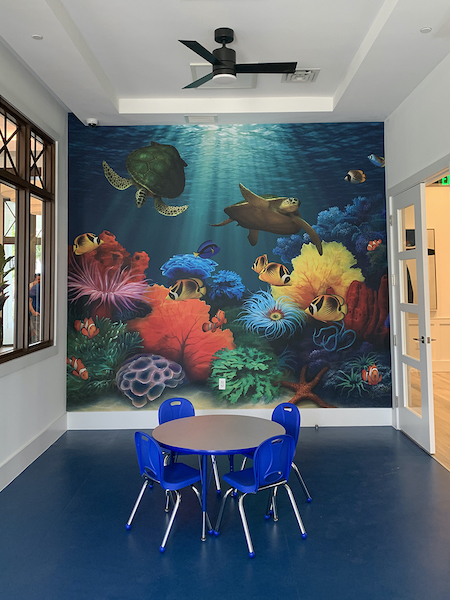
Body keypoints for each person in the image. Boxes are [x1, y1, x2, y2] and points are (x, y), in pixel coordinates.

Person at [29, 273, 41, 343]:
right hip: (36, 313)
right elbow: (29, 300)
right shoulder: (34, 287)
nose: (39, 281)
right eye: (38, 279)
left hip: (40, 313)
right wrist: (33, 312)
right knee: (36, 332)